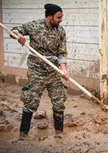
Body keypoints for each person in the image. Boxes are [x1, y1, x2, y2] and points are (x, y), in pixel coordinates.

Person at [11, 3, 69, 139]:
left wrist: (64, 69)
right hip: (36, 69)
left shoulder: (60, 31)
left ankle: (59, 133)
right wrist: (18, 35)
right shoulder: (34, 26)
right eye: (58, 17)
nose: (61, 20)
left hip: (53, 70)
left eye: (61, 17)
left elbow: (62, 52)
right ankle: (23, 134)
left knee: (59, 101)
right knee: (31, 100)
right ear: (49, 16)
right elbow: (14, 30)